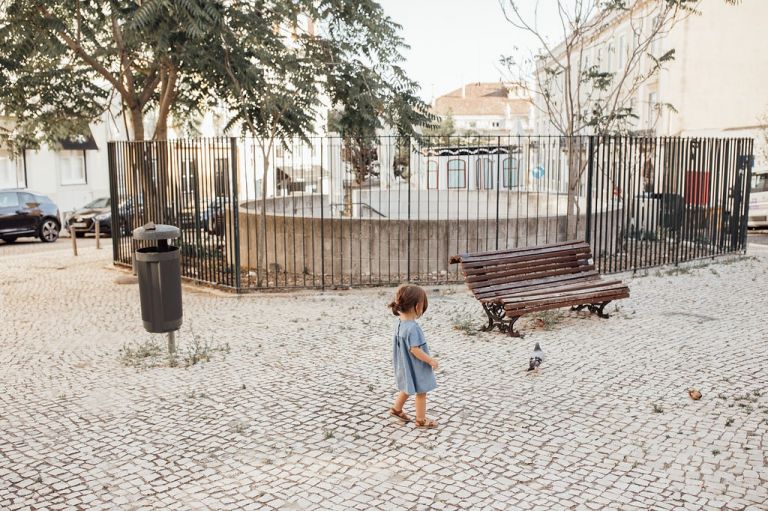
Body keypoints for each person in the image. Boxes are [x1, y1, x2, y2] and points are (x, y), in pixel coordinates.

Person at [387, 284, 438, 428]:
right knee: (421, 391)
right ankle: (421, 420)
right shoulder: (413, 328)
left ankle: (396, 409)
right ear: (417, 307)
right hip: (416, 366)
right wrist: (430, 360)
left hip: (404, 364)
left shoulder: (400, 324)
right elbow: (415, 350)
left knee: (406, 387)